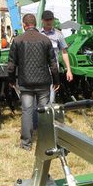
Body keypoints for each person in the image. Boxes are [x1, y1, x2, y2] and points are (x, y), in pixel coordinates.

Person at [8, 13, 60, 150]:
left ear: (24, 24)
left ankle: (26, 144)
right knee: (44, 112)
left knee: (27, 112)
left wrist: (12, 80)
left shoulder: (18, 40)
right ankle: (46, 142)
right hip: (43, 82)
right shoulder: (45, 39)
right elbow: (53, 63)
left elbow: (11, 64)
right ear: (35, 24)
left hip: (25, 82)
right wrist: (56, 80)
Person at [40, 10, 73, 101]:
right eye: (46, 20)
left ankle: (49, 111)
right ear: (42, 20)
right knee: (40, 96)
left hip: (52, 70)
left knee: (51, 96)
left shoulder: (58, 35)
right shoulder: (38, 34)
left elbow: (64, 52)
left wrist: (68, 70)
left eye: (50, 19)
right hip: (39, 70)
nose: (49, 21)